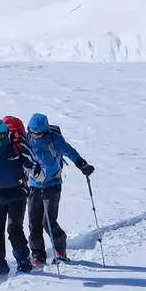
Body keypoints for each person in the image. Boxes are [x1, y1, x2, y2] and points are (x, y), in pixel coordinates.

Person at [26, 113, 95, 265]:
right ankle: (38, 255)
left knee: (48, 221)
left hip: (52, 185)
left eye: (39, 133)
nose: (36, 136)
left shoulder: (54, 139)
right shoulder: (27, 139)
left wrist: (82, 164)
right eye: (33, 132)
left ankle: (60, 252)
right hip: (34, 186)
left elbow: (70, 151)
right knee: (34, 222)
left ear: (45, 131)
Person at [0, 117, 35, 275]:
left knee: (14, 229)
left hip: (17, 193)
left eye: (0, 136)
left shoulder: (18, 144)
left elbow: (31, 164)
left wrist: (37, 175)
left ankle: (23, 261)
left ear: (6, 133)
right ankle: (0, 264)